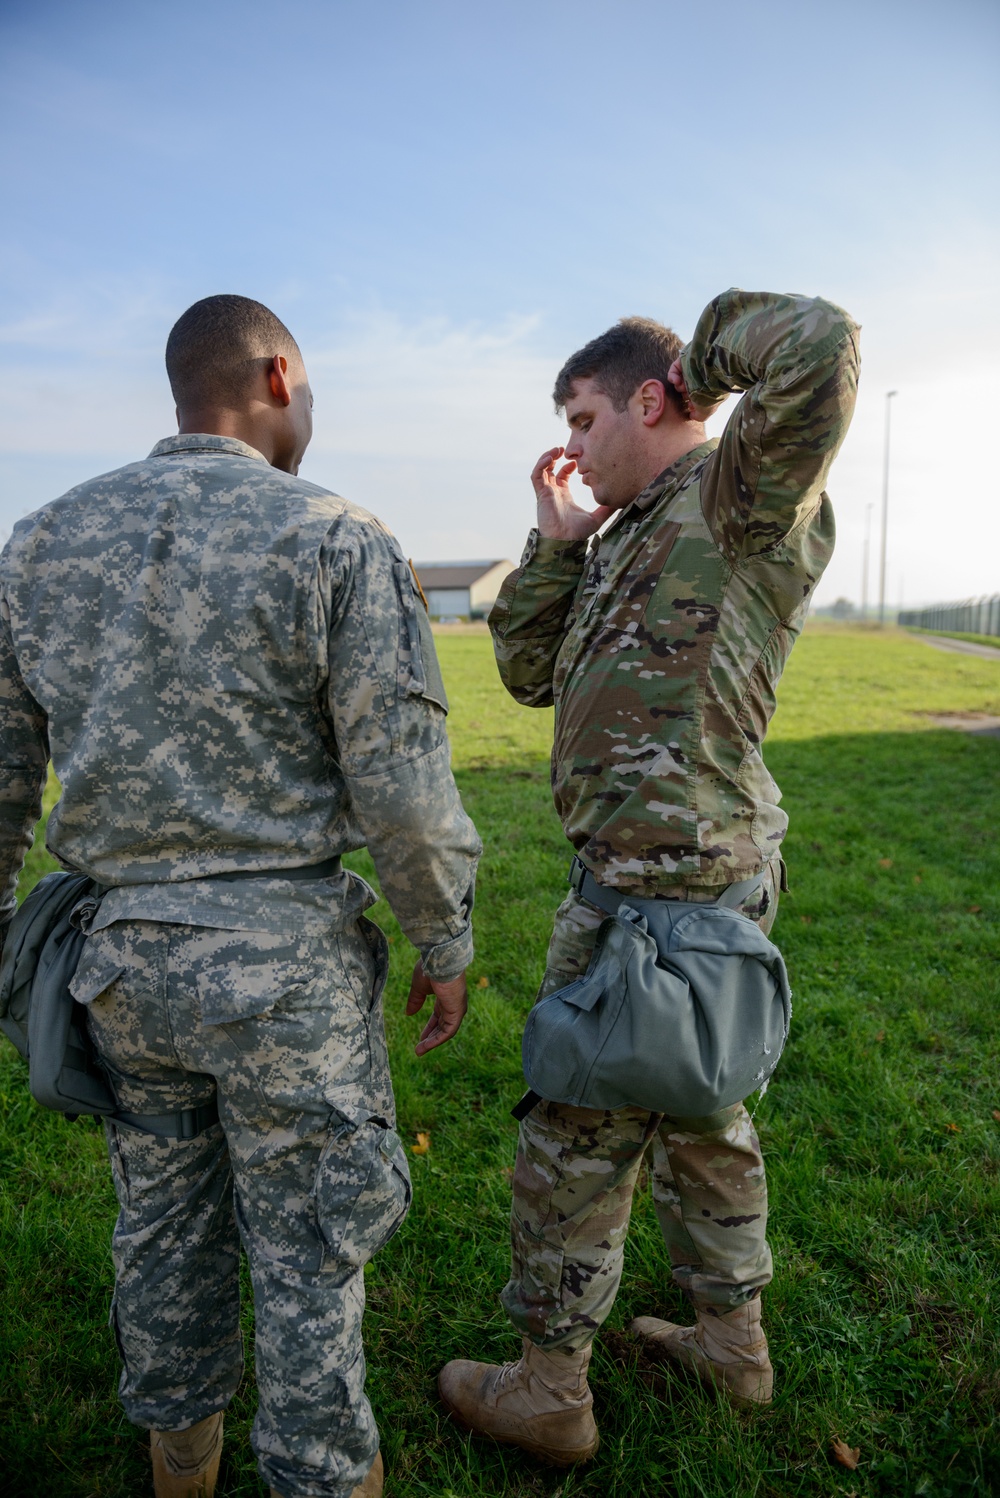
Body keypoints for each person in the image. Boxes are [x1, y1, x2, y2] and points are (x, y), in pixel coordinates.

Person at [0, 294, 481, 1498]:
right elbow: (403, 787)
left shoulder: (41, 542)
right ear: (278, 377)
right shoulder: (334, 534)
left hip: (120, 967)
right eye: (308, 389)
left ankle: (182, 1462)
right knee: (311, 1247)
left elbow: (5, 781)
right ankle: (321, 1471)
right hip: (284, 981)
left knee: (161, 1230)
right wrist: (442, 934)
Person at [438, 289, 859, 1463]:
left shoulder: (732, 494)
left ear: (648, 398)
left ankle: (547, 1387)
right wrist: (554, 543)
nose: (568, 445)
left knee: (570, 1146)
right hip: (672, 886)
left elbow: (819, 344)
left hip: (658, 902)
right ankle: (734, 1343)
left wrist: (705, 368)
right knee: (701, 1120)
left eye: (581, 417)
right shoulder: (626, 529)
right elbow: (525, 671)